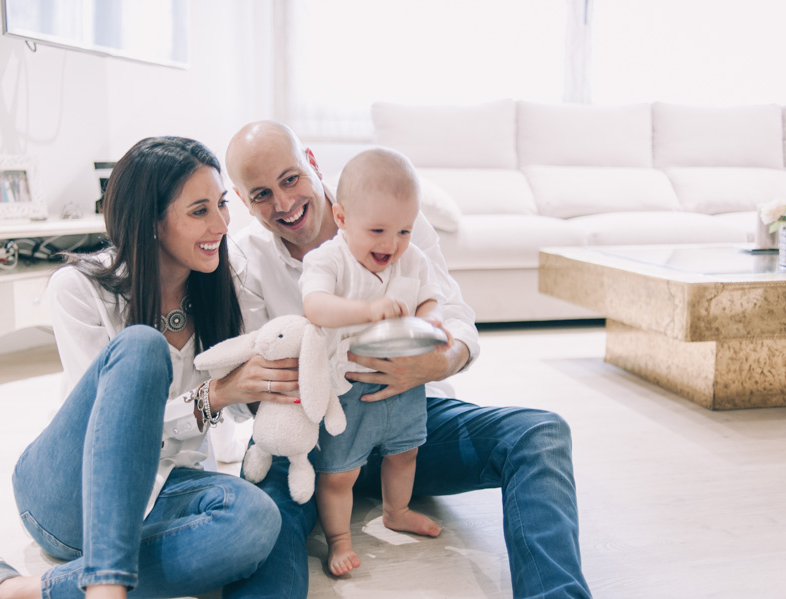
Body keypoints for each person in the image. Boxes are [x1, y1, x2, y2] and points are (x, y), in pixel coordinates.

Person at [0, 137, 294, 599]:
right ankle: (105, 590)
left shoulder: (226, 283)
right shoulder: (77, 288)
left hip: (166, 491)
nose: (220, 224)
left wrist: (261, 381)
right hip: (71, 495)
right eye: (199, 211)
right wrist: (212, 396)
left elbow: (238, 413)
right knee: (141, 347)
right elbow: (114, 428)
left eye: (222, 204)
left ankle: (19, 588)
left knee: (256, 519)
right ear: (150, 222)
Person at [224, 121, 592, 599]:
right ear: (241, 199)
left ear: (312, 162)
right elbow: (246, 380)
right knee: (263, 522)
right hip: (313, 439)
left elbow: (453, 314)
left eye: (291, 178)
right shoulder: (244, 262)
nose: (284, 204)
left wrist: (441, 361)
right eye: (261, 195)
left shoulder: (393, 213)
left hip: (412, 424)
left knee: (540, 434)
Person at [300, 148, 446, 576]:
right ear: (341, 218)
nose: (392, 244)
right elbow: (316, 306)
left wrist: (431, 323)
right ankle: (339, 539)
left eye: (404, 230)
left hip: (404, 380)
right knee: (339, 472)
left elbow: (431, 298)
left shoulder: (412, 257)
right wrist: (366, 311)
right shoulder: (328, 258)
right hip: (348, 388)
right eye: (378, 230)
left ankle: (396, 511)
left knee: (405, 454)